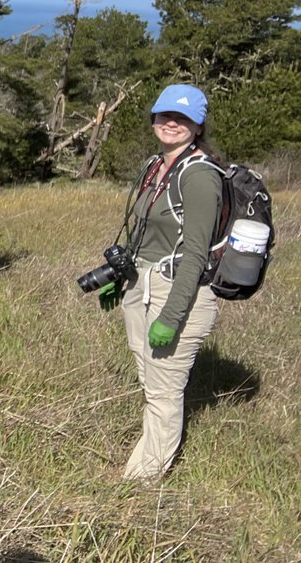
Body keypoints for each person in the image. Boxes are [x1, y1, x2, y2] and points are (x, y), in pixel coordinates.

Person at [100, 83, 221, 480]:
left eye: (183, 118)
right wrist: (120, 277)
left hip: (177, 290)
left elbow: (196, 255)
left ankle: (144, 480)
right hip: (142, 282)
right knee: (150, 381)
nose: (172, 123)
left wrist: (171, 316)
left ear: (198, 126)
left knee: (164, 390)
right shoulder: (156, 165)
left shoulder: (200, 176)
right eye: (166, 115)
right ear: (154, 118)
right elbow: (143, 230)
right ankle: (145, 461)